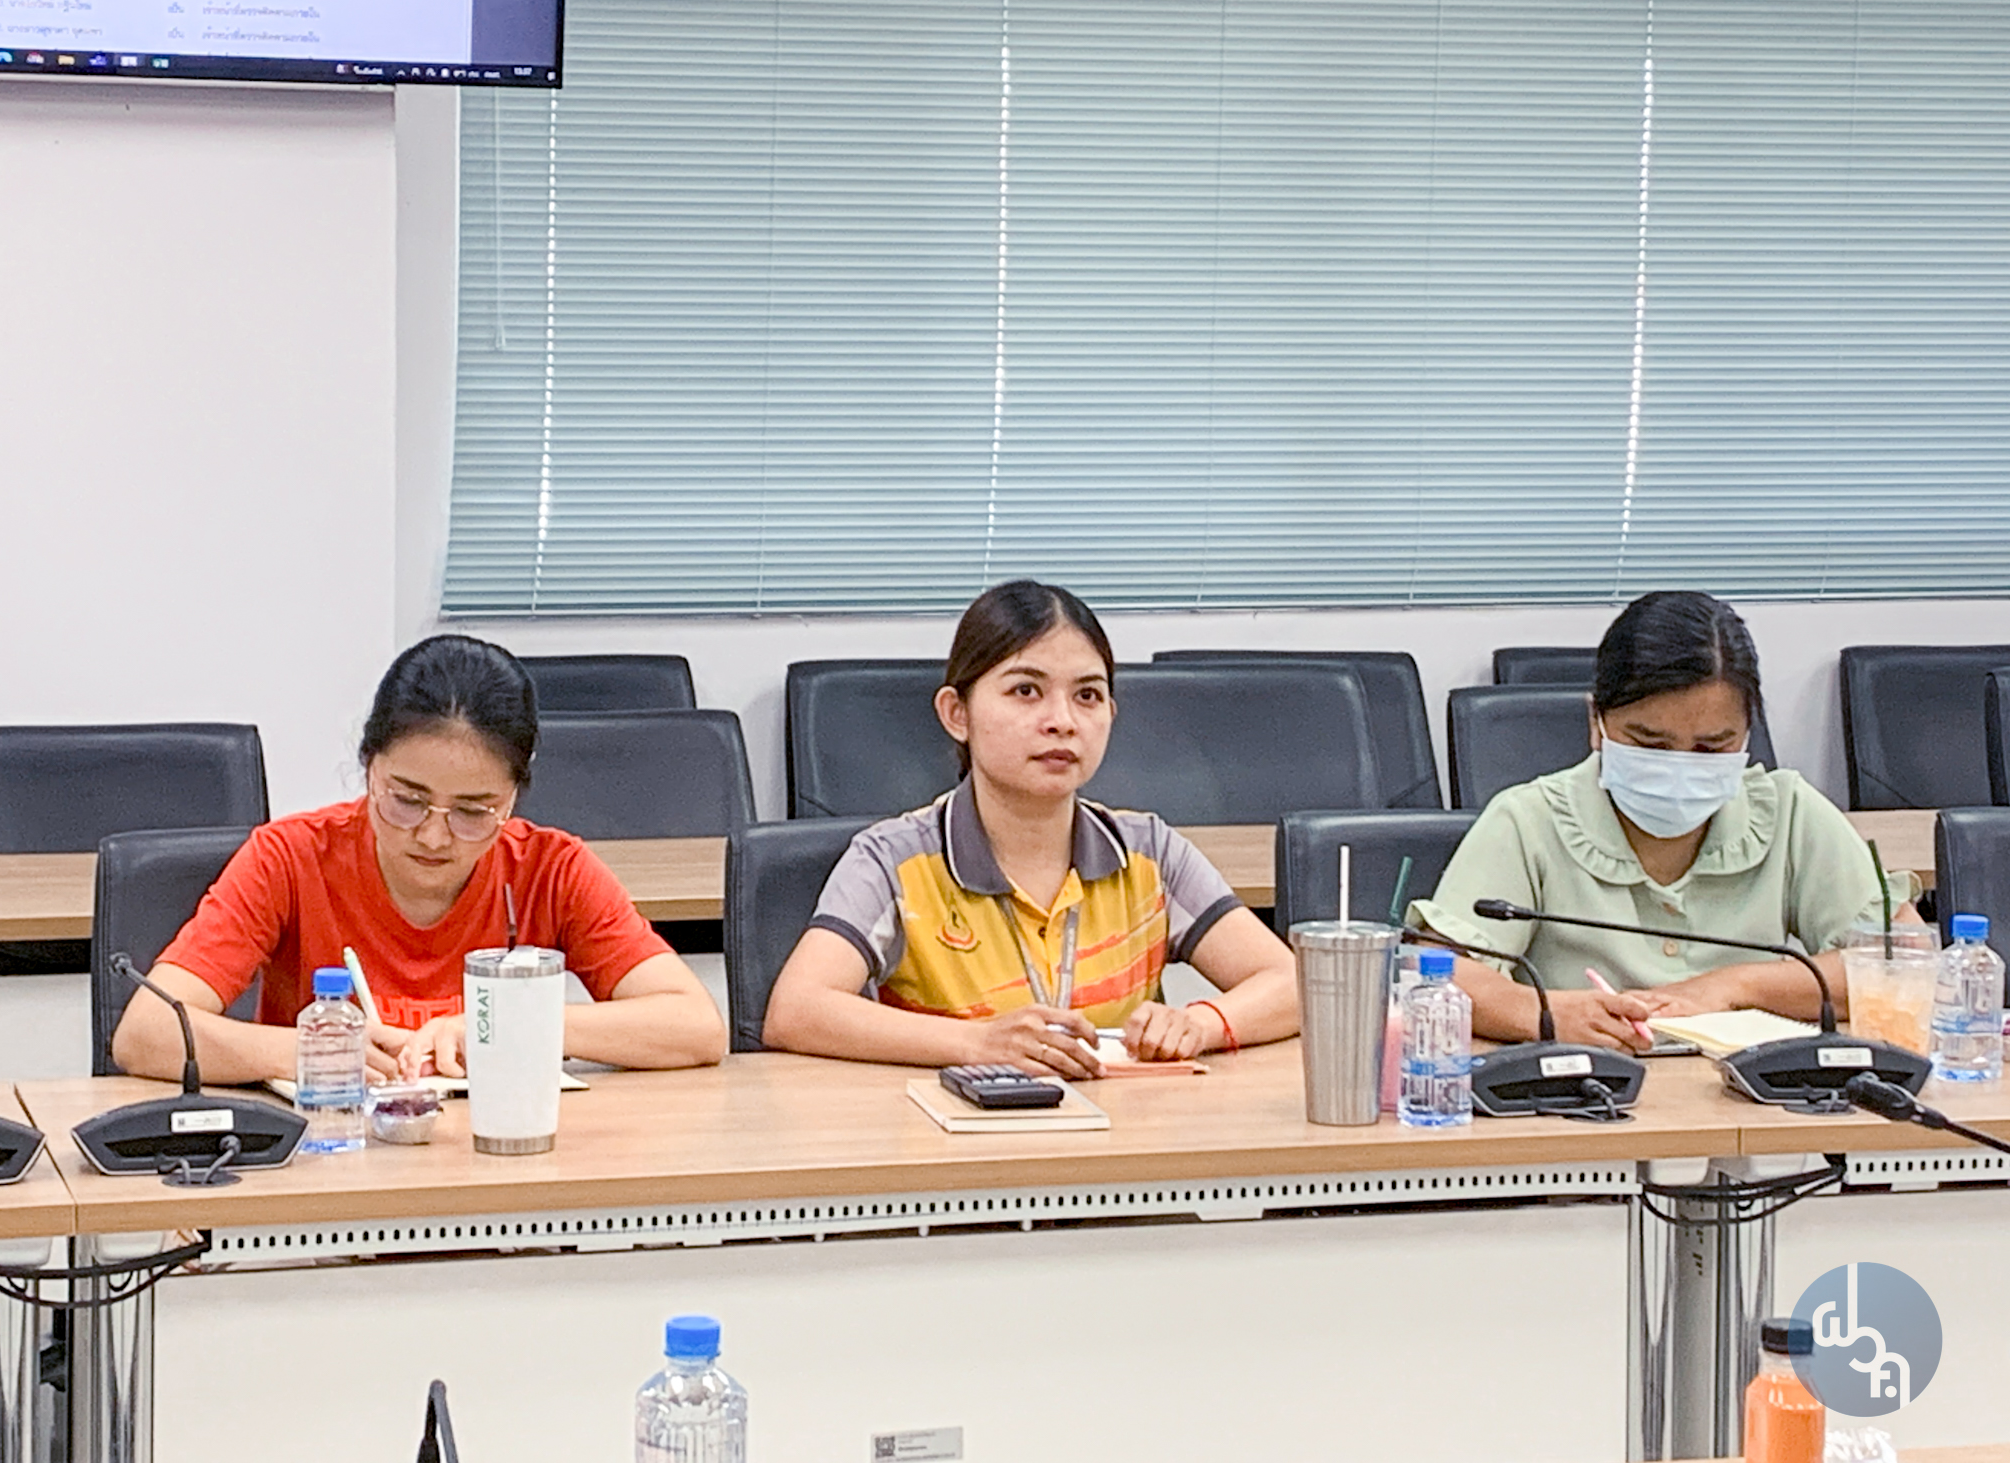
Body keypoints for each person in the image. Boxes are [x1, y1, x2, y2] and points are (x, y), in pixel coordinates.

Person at [112, 635, 726, 1084]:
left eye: (473, 811)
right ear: (369, 767)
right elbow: (146, 1033)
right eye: (406, 801)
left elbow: (696, 1026)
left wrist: (509, 1027)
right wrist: (308, 1051)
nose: (433, 836)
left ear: (514, 796)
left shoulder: (550, 868)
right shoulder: (292, 857)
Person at [763, 580, 1298, 1077]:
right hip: (959, 1131)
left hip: (1124, 1131)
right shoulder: (894, 860)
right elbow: (797, 1010)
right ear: (957, 714)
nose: (1062, 720)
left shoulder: (1148, 852)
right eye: (1025, 690)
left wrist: (1199, 1024)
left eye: (1087, 696)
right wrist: (976, 1043)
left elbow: (1294, 982)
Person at [1409, 591, 1917, 1053]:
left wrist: (1734, 987)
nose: (1679, 766)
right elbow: (1437, 972)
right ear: (1596, 723)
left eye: (1712, 747)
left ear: (1747, 733)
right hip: (1582, 1101)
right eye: (1650, 744)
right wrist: (1544, 1014)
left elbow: (1906, 958)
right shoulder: (1529, 820)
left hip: (1753, 1105)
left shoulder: (1788, 812)